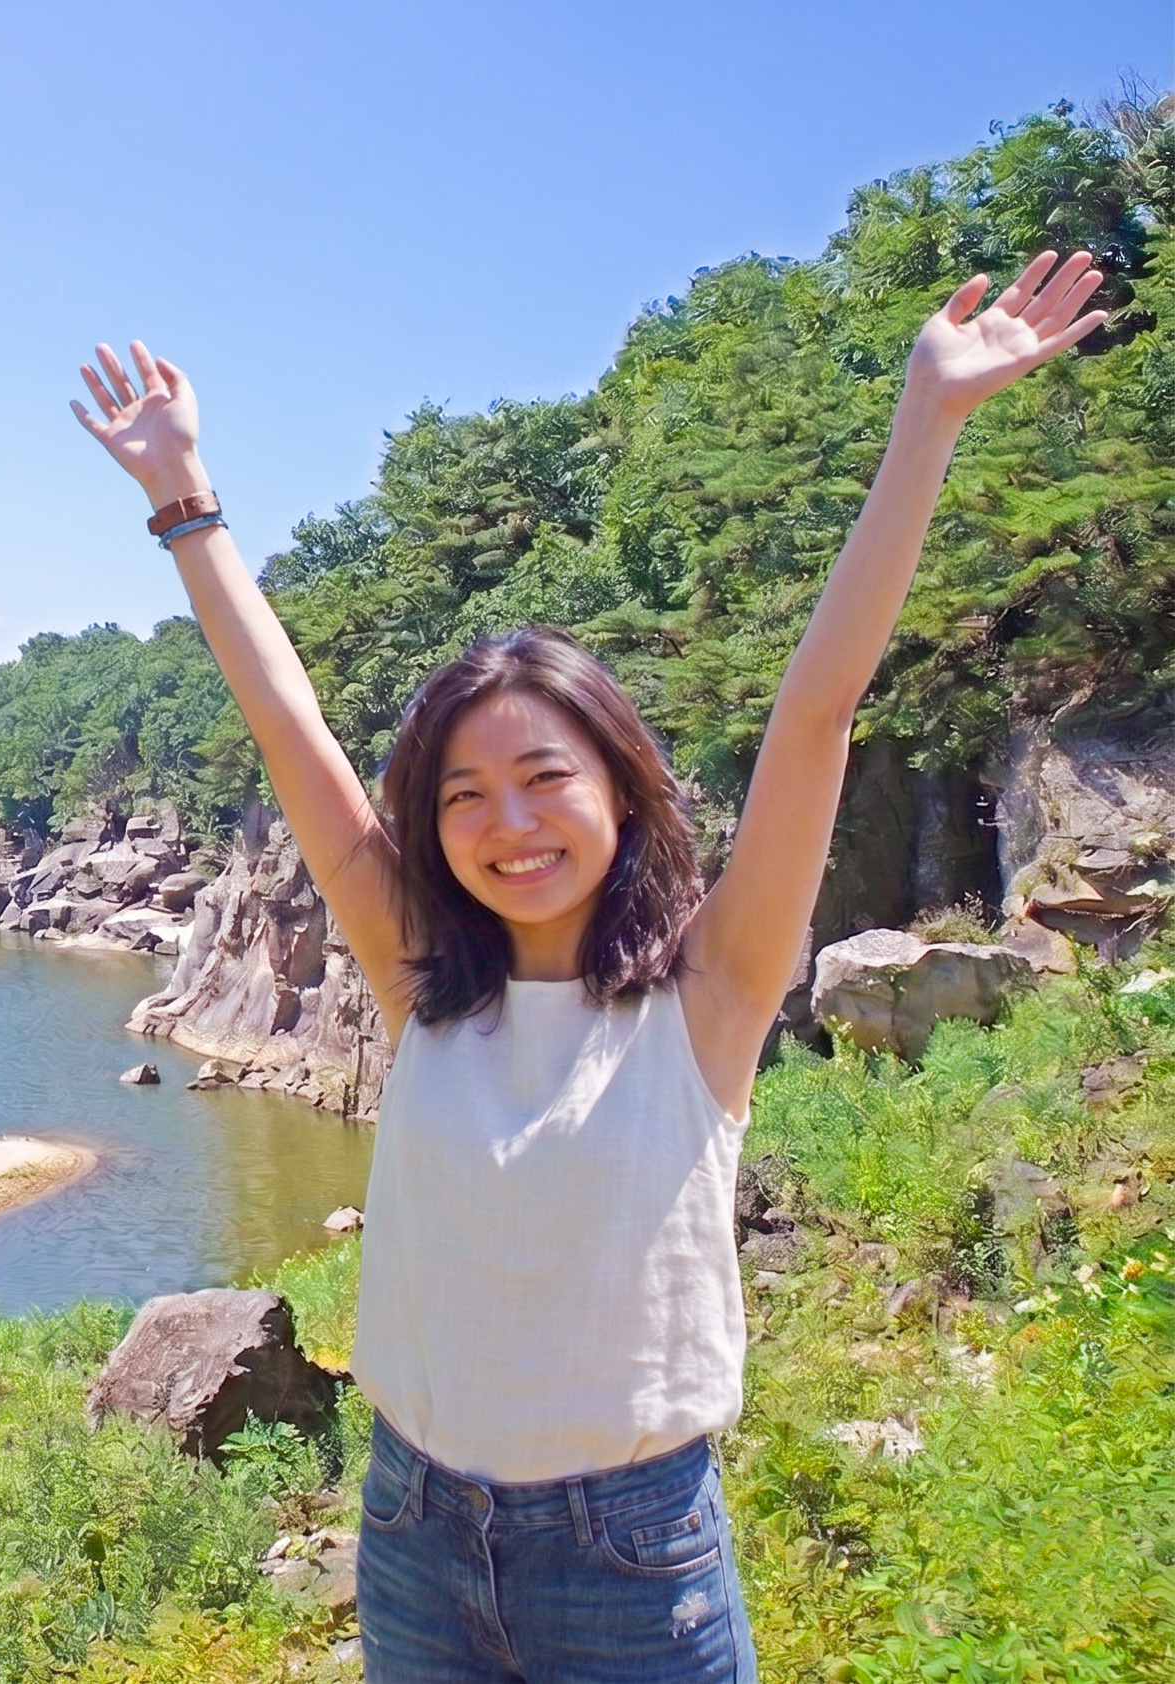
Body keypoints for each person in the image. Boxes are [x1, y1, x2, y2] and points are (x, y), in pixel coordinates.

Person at [73, 252, 1110, 1683]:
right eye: (462, 795)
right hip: (414, 1529)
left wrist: (926, 417)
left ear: (620, 789)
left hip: (630, 1559)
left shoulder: (711, 997)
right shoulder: (424, 983)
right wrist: (184, 502)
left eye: (544, 777)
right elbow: (293, 732)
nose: (507, 824)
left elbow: (817, 711)